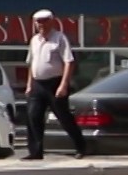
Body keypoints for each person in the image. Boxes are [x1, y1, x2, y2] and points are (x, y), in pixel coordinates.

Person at [23, 9, 86, 160]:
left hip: (54, 83)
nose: (41, 24)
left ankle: (81, 147)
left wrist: (63, 85)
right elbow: (31, 63)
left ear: (52, 21)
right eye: (38, 21)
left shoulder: (59, 38)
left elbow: (69, 62)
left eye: (44, 21)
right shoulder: (34, 40)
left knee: (63, 117)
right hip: (38, 84)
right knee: (33, 116)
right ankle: (35, 152)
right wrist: (29, 85)